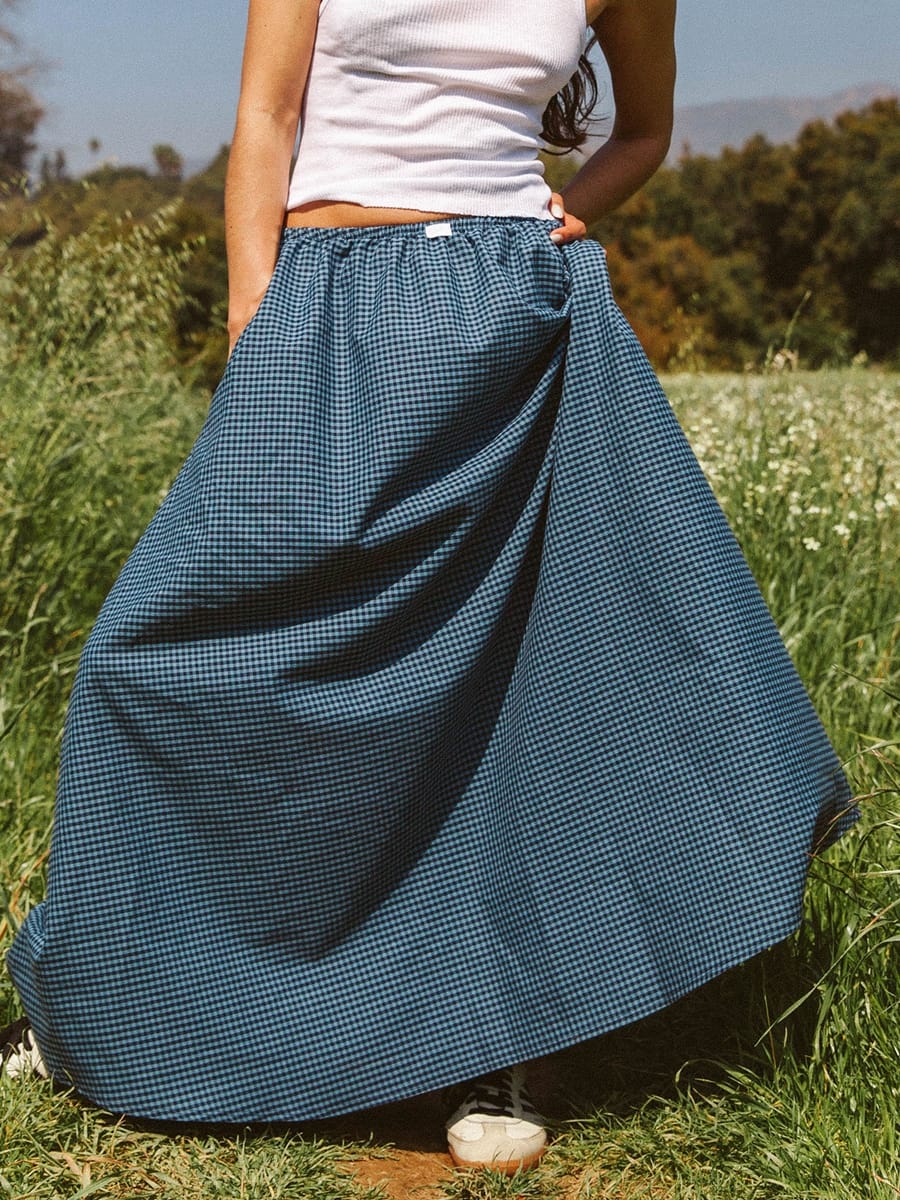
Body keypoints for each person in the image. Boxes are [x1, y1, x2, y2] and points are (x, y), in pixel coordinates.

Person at [2, 0, 856, 1176]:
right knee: (149, 660)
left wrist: (567, 216)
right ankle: (104, 1004)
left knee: (513, 690)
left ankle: (496, 1039)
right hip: (326, 304)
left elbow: (644, 132)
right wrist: (256, 316)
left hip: (518, 325)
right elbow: (267, 116)